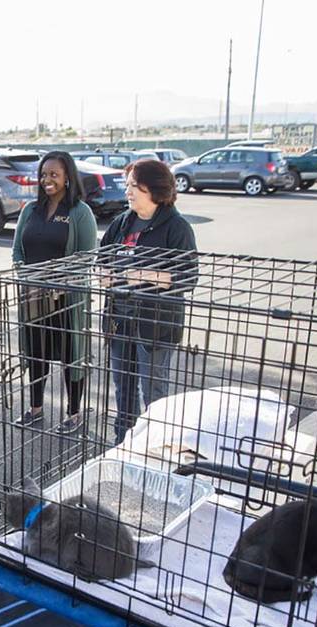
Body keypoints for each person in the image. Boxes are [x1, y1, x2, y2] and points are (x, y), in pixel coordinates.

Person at [97, 158, 198, 443]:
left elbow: (189, 277)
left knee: (153, 390)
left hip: (154, 324)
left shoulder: (176, 227)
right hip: (120, 318)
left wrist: (147, 275)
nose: (127, 191)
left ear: (154, 189)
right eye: (127, 185)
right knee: (123, 386)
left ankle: (154, 444)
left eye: (134, 186)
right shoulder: (122, 222)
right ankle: (123, 441)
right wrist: (103, 272)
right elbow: (102, 255)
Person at [11, 150, 97, 434]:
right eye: (44, 175)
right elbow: (17, 251)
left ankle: (73, 413)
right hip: (34, 297)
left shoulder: (80, 213)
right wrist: (27, 276)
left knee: (71, 355)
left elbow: (87, 257)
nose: (47, 180)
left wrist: (57, 280)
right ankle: (35, 409)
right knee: (36, 353)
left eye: (54, 175)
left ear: (68, 178)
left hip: (67, 299)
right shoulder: (29, 210)